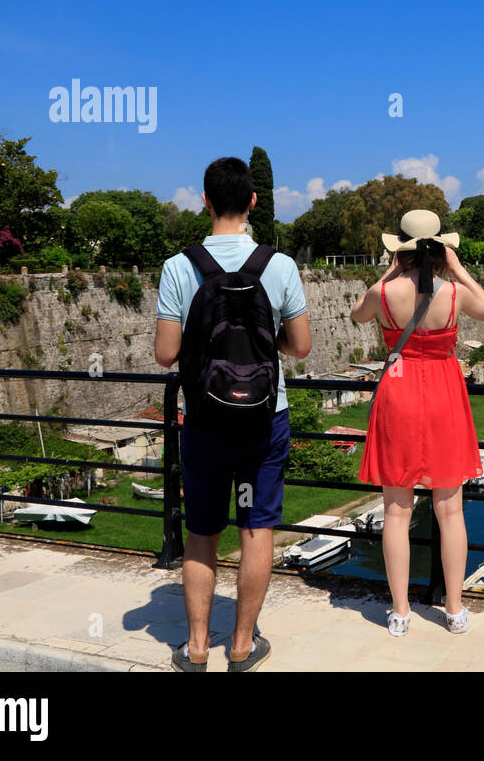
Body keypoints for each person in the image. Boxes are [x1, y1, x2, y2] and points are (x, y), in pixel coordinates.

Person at [154, 156, 311, 671]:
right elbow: (302, 346)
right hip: (266, 416)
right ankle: (242, 645)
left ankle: (197, 647)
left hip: (204, 417)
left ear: (204, 201)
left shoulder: (180, 266)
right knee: (255, 529)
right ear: (252, 202)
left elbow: (165, 353)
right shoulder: (279, 265)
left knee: (201, 532)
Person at [350, 209, 484, 636]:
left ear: (400, 248)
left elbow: (358, 313)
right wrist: (459, 269)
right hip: (444, 392)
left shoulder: (385, 292)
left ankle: (400, 612)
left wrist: (389, 271)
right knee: (449, 510)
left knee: (396, 511)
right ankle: (453, 609)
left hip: (398, 390)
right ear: (441, 247)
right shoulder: (452, 293)